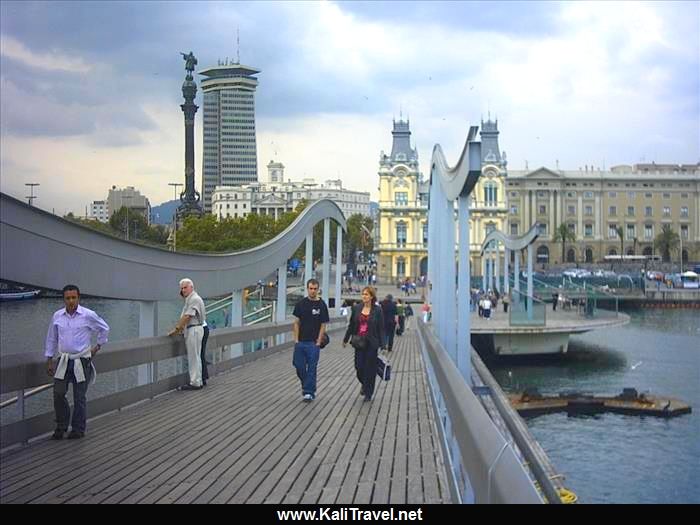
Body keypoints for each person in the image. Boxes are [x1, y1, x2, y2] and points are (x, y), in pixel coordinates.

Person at [45, 284, 110, 440]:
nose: (71, 301)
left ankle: (78, 429)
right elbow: (51, 338)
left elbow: (104, 328)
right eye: (68, 298)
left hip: (81, 360)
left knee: (79, 397)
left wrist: (97, 347)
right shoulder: (57, 316)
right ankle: (61, 426)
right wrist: (49, 359)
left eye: (74, 297)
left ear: (78, 298)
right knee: (58, 394)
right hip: (63, 360)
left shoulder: (88, 315)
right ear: (64, 299)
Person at [343, 287, 385, 402]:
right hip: (359, 342)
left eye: (366, 294)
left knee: (370, 369)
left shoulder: (378, 310)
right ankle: (364, 384)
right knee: (359, 367)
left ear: (371, 296)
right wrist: (346, 339)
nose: (364, 296)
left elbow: (381, 328)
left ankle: (368, 392)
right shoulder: (356, 308)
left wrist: (383, 345)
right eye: (363, 294)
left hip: (372, 343)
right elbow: (351, 325)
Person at [292, 279, 330, 402]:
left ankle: (309, 392)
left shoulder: (321, 305)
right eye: (310, 288)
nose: (313, 291)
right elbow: (296, 322)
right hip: (301, 342)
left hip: (313, 343)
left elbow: (323, 324)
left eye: (315, 289)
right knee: (299, 366)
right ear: (307, 289)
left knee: (312, 368)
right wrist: (296, 339)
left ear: (318, 289)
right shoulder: (301, 304)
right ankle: (306, 384)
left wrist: (319, 341)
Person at [169, 278, 206, 390]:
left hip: (193, 330)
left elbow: (187, 316)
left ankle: (195, 382)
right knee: (196, 357)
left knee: (193, 357)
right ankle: (198, 381)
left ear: (191, 287)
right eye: (181, 288)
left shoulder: (194, 299)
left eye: (185, 287)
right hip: (195, 329)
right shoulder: (192, 299)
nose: (183, 290)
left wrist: (176, 329)